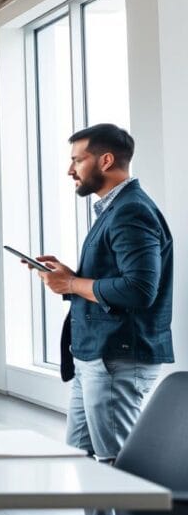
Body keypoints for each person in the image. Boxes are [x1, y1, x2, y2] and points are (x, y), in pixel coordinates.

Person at [30, 123, 173, 462]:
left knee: (116, 463)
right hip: (96, 354)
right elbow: (116, 279)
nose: (70, 171)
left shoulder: (130, 211)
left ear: (106, 160)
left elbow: (139, 289)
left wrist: (72, 284)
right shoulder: (114, 209)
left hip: (116, 356)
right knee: (80, 457)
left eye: (77, 161)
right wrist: (69, 278)